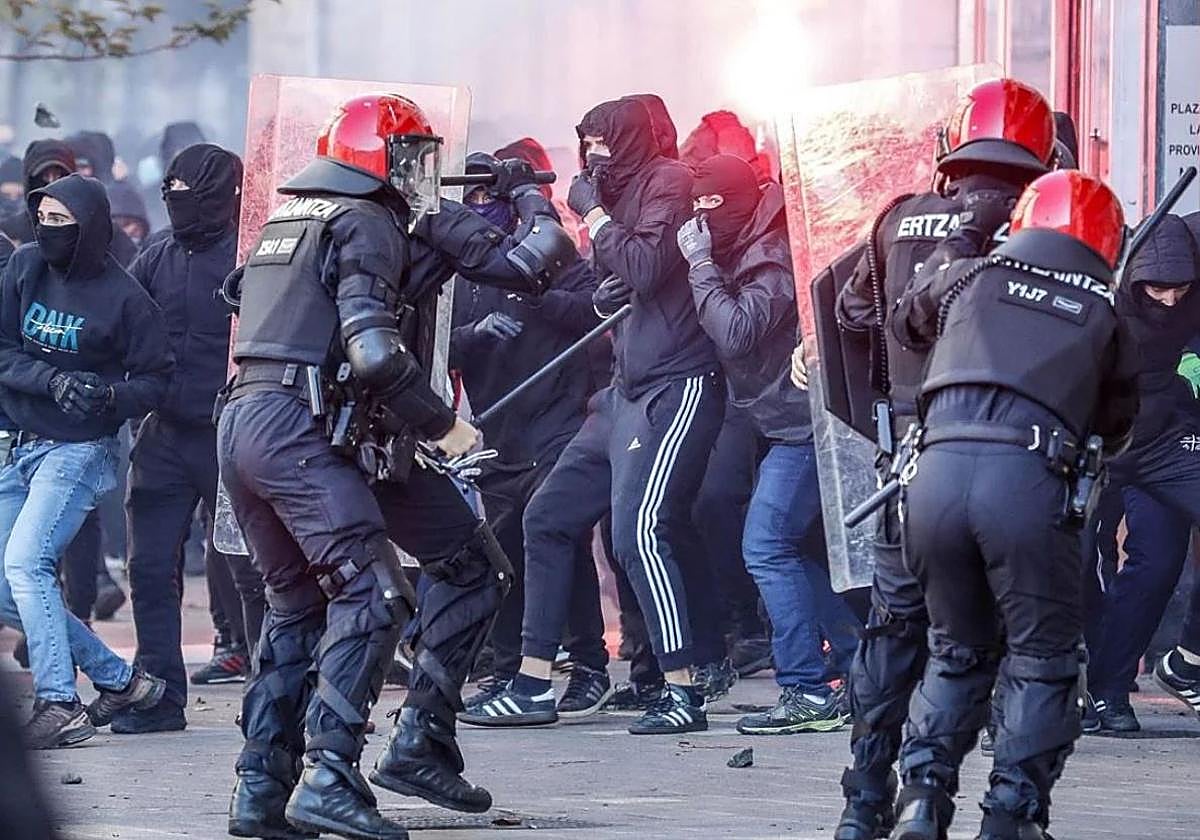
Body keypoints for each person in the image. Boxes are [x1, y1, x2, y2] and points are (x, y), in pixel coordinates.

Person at [221, 93, 575, 839]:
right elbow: (375, 352)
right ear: (381, 160)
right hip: (309, 429)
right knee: (372, 593)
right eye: (412, 155)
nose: (425, 170)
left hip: (277, 424)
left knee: (457, 569)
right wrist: (444, 426)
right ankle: (328, 777)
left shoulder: (290, 220)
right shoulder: (368, 220)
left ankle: (277, 784)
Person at [829, 78, 1056, 840]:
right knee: (1021, 646)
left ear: (949, 150)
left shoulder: (897, 219)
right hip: (1021, 468)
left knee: (892, 638)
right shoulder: (1045, 224)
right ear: (1043, 152)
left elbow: (851, 312)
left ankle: (865, 806)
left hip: (910, 471)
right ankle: (1005, 814)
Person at [886, 169, 1138, 839]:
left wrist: (964, 238)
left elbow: (906, 317)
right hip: (1026, 481)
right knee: (1042, 657)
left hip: (932, 477)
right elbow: (1117, 425)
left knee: (956, 651)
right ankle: (1010, 817)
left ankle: (920, 802)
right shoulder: (1103, 311)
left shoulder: (970, 277)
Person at [462, 95, 725, 735]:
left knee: (639, 533)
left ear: (632, 141)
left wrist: (596, 213)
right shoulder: (620, 190)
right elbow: (624, 277)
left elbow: (643, 258)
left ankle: (682, 688)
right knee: (547, 518)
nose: (592, 158)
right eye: (587, 145)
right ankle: (530, 683)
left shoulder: (669, 180)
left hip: (676, 383)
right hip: (622, 387)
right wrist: (606, 278)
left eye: (604, 144)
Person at [677, 154, 858, 733]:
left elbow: (735, 330)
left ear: (745, 200)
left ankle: (807, 688)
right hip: (783, 422)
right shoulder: (749, 244)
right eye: (696, 206)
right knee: (789, 549)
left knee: (766, 546)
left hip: (804, 425)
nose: (705, 217)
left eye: (715, 204)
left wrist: (701, 265)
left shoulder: (770, 254)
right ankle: (860, 670)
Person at [0, 173, 174, 749]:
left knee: (26, 565)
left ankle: (59, 700)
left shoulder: (127, 298)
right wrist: (52, 381)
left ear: (90, 226)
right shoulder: (25, 267)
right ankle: (120, 682)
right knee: (5, 583)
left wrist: (108, 396)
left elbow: (156, 379)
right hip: (20, 443)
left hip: (80, 450)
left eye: (60, 222)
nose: (47, 231)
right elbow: (1, 349)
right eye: (41, 219)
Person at [449, 150, 613, 719]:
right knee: (503, 549)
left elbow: (597, 309)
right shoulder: (452, 265)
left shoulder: (544, 247)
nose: (477, 210)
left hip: (556, 415)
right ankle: (506, 668)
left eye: (486, 197)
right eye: (468, 200)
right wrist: (472, 334)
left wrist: (539, 296)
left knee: (554, 530)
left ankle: (589, 666)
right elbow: (423, 341)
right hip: (495, 425)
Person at [118, 143, 266, 733]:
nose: (180, 207)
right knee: (150, 568)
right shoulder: (156, 256)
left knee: (255, 571)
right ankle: (158, 694)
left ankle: (272, 696)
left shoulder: (254, 255)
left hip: (234, 429)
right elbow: (118, 323)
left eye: (192, 196)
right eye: (172, 196)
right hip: (165, 434)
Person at [1081, 212, 1200, 732]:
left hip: (1163, 434)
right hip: (1093, 433)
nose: (1170, 301)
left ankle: (1185, 663)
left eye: (1182, 290)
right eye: (1158, 289)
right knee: (1074, 560)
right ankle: (1088, 689)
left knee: (1157, 562)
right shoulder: (1094, 282)